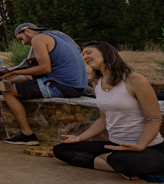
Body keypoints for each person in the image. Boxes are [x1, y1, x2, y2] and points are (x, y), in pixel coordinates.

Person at [53, 41, 164, 180]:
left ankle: (113, 162)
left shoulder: (135, 80)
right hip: (114, 145)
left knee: (122, 160)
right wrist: (80, 138)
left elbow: (154, 119)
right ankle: (112, 164)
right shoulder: (97, 83)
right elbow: (103, 119)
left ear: (106, 53)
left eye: (88, 52)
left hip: (148, 148)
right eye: (83, 54)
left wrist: (140, 145)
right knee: (61, 149)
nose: (85, 57)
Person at [0, 23, 88, 145]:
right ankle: (4, 84)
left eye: (21, 38)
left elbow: (45, 68)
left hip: (60, 85)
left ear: (28, 31)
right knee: (19, 83)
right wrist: (9, 76)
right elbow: (33, 74)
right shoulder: (56, 36)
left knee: (8, 92)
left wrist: (13, 71)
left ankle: (27, 135)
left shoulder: (38, 39)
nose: (23, 43)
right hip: (77, 86)